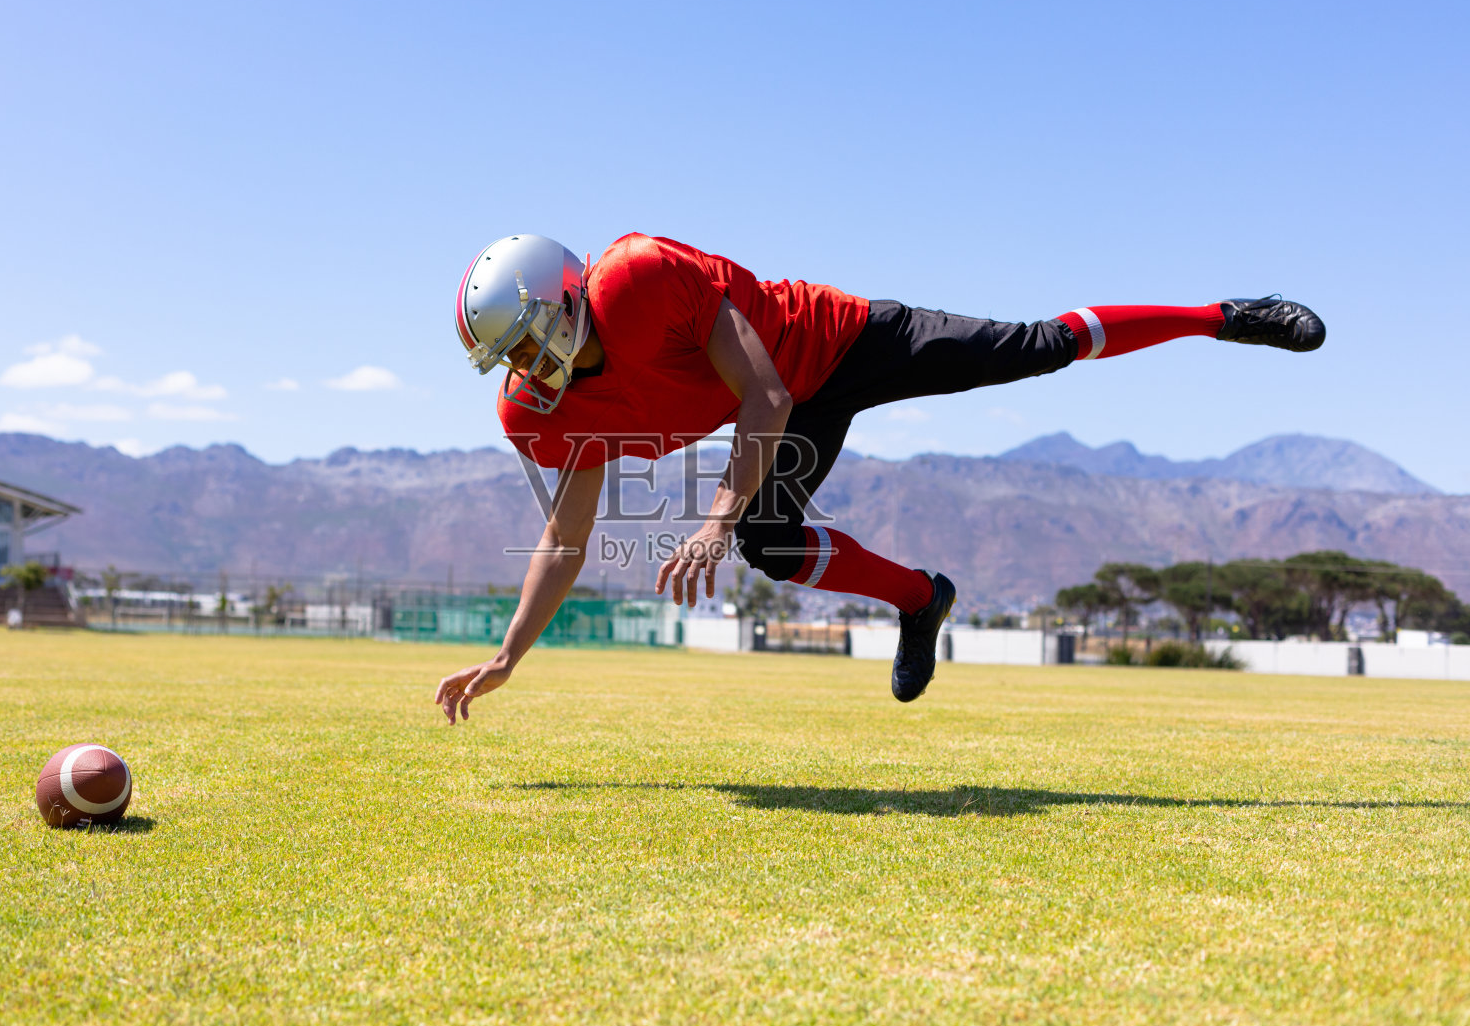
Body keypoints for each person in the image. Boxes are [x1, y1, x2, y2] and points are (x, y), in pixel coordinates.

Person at [435, 233, 1324, 723]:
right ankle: (921, 599)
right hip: (783, 406)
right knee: (770, 542)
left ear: (564, 300)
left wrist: (711, 520)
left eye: (524, 343)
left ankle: (1220, 315)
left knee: (1037, 346)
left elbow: (766, 392)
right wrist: (510, 654)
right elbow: (565, 535)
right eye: (505, 357)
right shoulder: (536, 412)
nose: (522, 369)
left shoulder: (637, 278)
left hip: (840, 341)